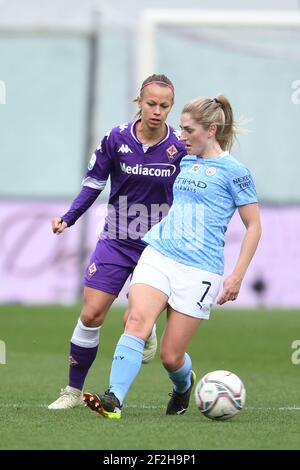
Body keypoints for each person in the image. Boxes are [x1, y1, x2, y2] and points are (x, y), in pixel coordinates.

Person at [83, 94, 262, 419]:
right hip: (159, 253)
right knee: (135, 321)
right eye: (179, 128)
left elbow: (254, 226)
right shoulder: (182, 158)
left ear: (210, 130)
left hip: (200, 270)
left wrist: (237, 274)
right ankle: (114, 401)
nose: (180, 136)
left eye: (187, 130)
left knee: (170, 356)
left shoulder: (235, 172)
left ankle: (183, 386)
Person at [48, 74, 187, 409]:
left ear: (171, 107)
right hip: (116, 239)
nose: (157, 111)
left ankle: (152, 338)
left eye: (164, 105)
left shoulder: (180, 148)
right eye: (151, 103)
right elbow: (94, 183)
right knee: (92, 314)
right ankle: (71, 392)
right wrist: (69, 217)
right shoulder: (116, 138)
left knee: (134, 322)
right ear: (139, 102)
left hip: (157, 247)